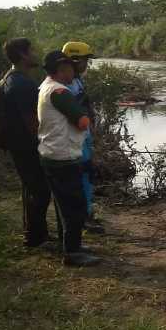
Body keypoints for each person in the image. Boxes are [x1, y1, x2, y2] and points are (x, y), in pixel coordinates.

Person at [38, 51, 101, 267]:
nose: (74, 70)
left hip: (54, 154)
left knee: (66, 207)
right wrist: (86, 118)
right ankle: (73, 253)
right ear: (62, 69)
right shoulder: (59, 91)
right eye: (71, 67)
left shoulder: (46, 86)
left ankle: (72, 247)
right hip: (63, 156)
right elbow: (82, 121)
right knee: (74, 207)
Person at [1, 38, 53, 248]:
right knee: (40, 190)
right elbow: (31, 121)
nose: (35, 53)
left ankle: (34, 235)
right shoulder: (21, 83)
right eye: (32, 50)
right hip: (27, 145)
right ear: (23, 55)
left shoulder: (11, 78)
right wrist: (44, 144)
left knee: (31, 189)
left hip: (19, 144)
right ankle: (36, 238)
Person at [61, 41, 104, 234]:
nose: (87, 64)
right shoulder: (62, 85)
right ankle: (81, 218)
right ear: (74, 60)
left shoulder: (76, 80)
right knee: (80, 176)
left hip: (82, 137)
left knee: (86, 175)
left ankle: (86, 214)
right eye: (85, 60)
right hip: (73, 140)